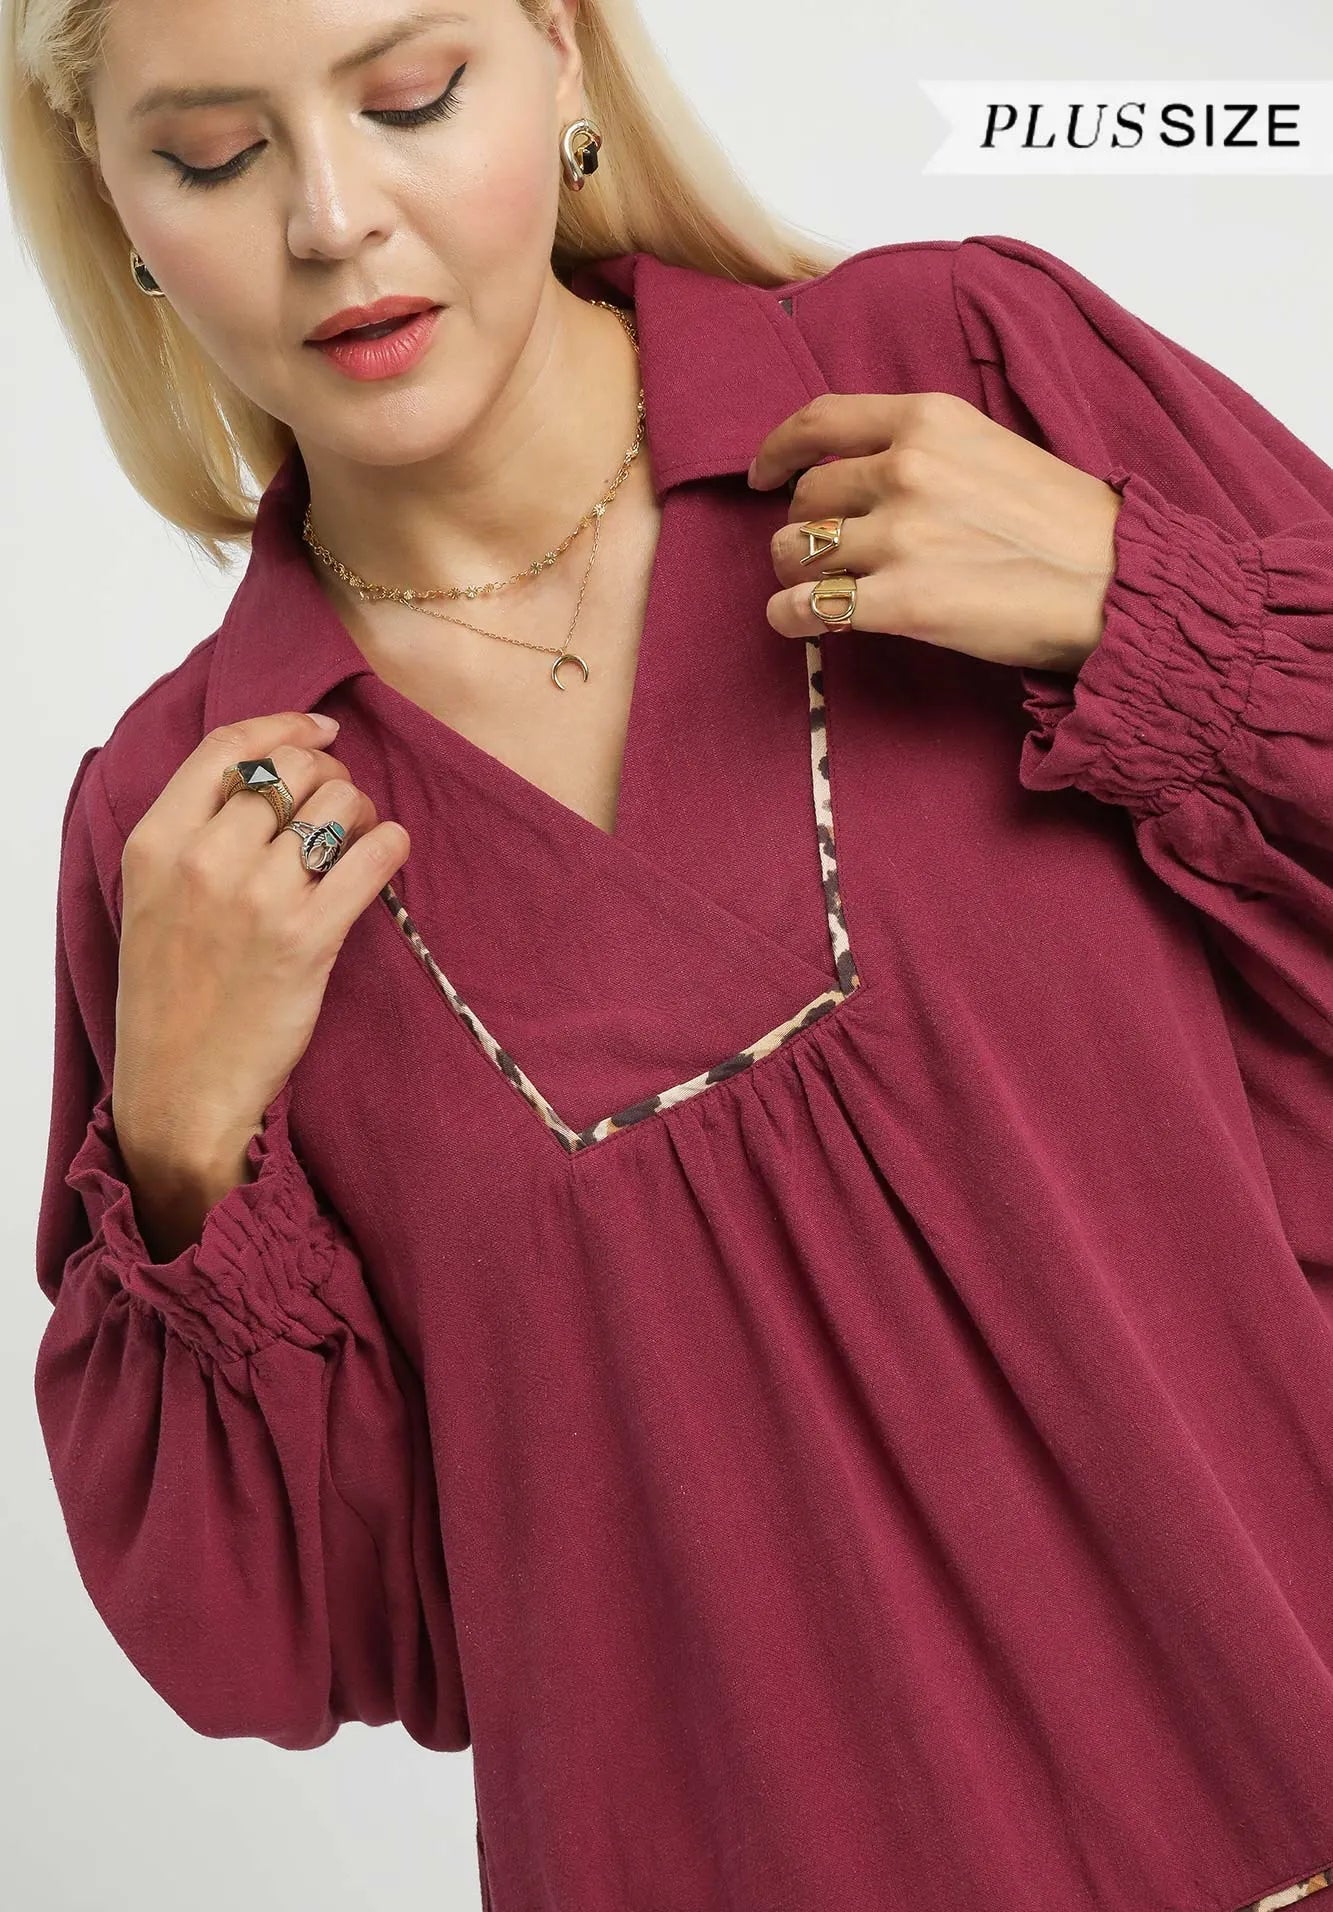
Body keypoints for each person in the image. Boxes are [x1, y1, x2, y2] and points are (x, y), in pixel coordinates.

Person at [9, 0, 1333, 1907]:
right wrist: (181, 1150)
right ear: (118, 208)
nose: (330, 219)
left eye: (407, 97)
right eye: (210, 156)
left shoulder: (959, 377)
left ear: (559, 59)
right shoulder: (196, 831)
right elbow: (279, 1645)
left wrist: (1149, 615)